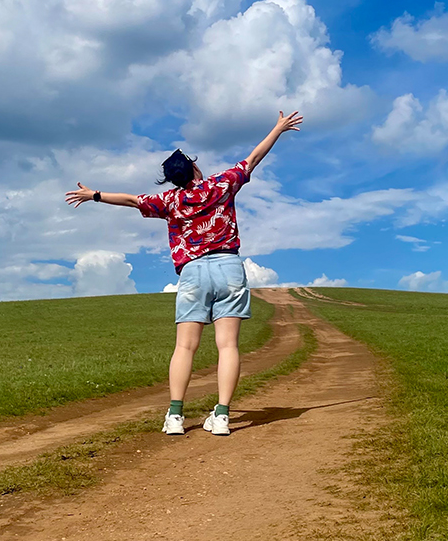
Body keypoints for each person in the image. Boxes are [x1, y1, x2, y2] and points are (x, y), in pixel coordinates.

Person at [65, 111, 303, 436]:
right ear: (194, 168)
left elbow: (132, 200)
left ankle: (175, 416)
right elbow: (253, 158)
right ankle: (221, 416)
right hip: (228, 268)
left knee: (185, 347)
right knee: (228, 346)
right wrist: (278, 128)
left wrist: (94, 195)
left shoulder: (169, 201)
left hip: (192, 273)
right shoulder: (221, 184)